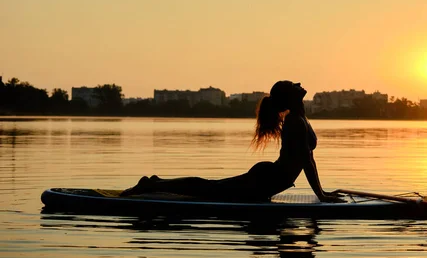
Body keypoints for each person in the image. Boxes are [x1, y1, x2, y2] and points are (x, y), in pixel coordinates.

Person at [121, 81, 344, 203]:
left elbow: (309, 158)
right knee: (208, 189)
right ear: (290, 97)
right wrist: (321, 196)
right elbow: (305, 160)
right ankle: (152, 185)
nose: (298, 83)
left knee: (211, 187)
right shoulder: (295, 121)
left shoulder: (299, 117)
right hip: (265, 181)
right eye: (293, 85)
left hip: (268, 179)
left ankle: (156, 182)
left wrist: (322, 193)